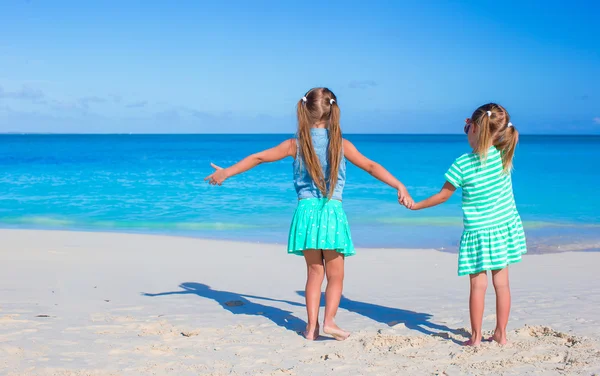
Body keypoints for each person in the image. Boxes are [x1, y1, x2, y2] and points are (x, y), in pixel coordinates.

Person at [205, 87, 413, 340]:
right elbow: (371, 166)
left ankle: (311, 327)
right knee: (336, 276)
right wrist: (398, 185)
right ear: (333, 111)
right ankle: (330, 322)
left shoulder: (294, 144)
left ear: (304, 110)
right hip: (332, 212)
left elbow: (259, 158)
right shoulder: (341, 145)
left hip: (305, 213)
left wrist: (226, 172)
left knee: (315, 273)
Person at [407, 103, 526, 346]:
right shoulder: (504, 154)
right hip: (504, 228)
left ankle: (475, 337)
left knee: (477, 286)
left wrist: (416, 205)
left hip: (479, 233)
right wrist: (486, 125)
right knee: (502, 284)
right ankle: (501, 334)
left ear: (473, 129)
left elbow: (442, 196)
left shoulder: (462, 164)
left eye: (467, 127)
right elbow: (507, 133)